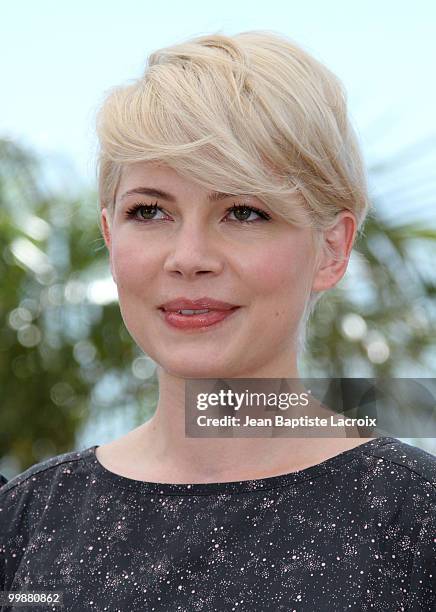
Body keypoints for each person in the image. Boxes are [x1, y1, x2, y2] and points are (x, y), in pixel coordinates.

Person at [1, 30, 435, 611]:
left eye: (243, 211)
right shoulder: (27, 522)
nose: (188, 258)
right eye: (149, 211)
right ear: (109, 234)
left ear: (332, 248)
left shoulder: (415, 517)